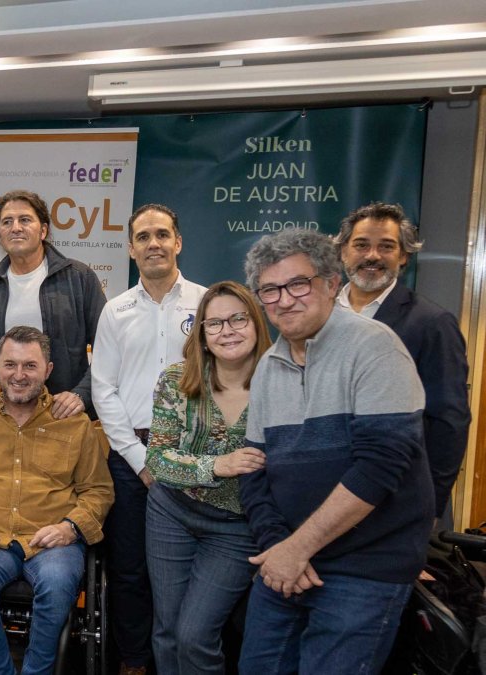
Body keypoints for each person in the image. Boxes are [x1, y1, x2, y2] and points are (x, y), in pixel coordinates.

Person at [239, 228, 431, 673]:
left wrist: (298, 548)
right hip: (285, 563)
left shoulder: (375, 347)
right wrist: (278, 547)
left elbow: (381, 465)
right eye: (269, 290)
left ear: (330, 284)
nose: (284, 300)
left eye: (298, 284)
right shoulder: (268, 366)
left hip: (364, 570)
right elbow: (253, 470)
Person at [0, 326, 113, 675]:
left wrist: (70, 527)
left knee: (58, 584)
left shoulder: (74, 422)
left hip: (53, 542)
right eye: (10, 365)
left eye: (30, 366)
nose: (19, 375)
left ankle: (37, 671)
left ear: (47, 370)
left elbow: (98, 490)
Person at [91, 203, 206, 675]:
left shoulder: (208, 304)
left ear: (178, 242)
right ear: (131, 249)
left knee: (194, 569)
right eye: (143, 236)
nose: (153, 243)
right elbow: (104, 389)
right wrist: (141, 460)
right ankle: (135, 662)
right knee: (131, 570)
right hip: (129, 457)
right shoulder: (115, 311)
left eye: (162, 234)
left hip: (200, 456)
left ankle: (183, 659)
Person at [144, 281, 271, 674]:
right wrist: (217, 465)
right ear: (201, 333)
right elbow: (158, 460)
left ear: (257, 323)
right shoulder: (177, 379)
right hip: (171, 514)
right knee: (166, 631)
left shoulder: (282, 382)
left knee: (195, 635)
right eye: (214, 323)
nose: (227, 330)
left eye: (238, 318)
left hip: (236, 527)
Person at [334, 202, 469, 523]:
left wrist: (431, 507)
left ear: (404, 256)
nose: (372, 256)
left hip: (396, 500)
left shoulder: (432, 323)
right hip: (319, 491)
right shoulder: (317, 315)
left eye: (387, 247)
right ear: (342, 252)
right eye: (361, 245)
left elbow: (449, 422)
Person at [0, 189, 106, 420]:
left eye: (25, 220)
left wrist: (82, 394)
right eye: (7, 222)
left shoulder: (80, 279)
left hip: (62, 418)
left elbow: (107, 348)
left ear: (44, 230)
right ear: (0, 235)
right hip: (1, 421)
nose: (16, 227)